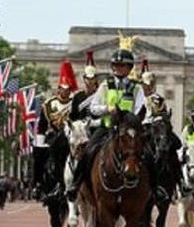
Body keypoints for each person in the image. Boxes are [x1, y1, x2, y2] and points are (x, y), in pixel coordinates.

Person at [67, 39, 169, 205]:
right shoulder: (105, 86)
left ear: (129, 69)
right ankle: (76, 184)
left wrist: (132, 120)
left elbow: (141, 107)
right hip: (107, 128)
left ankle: (156, 188)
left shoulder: (136, 88)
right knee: (88, 152)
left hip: (129, 130)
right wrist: (107, 109)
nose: (118, 68)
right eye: (116, 65)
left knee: (149, 155)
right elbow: (93, 108)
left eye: (122, 66)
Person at [37, 60, 77, 203]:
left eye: (67, 89)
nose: (64, 92)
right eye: (62, 89)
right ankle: (39, 184)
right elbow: (42, 125)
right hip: (53, 136)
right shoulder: (49, 104)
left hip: (71, 136)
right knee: (38, 156)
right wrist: (39, 143)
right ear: (58, 89)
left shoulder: (75, 103)